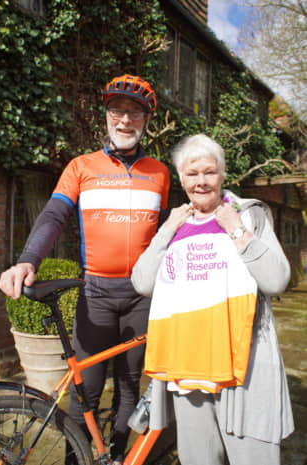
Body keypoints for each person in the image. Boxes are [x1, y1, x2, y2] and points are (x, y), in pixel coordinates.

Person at [0, 74, 170, 465]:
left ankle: (120, 457)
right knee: (85, 394)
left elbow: (162, 235)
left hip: (142, 298)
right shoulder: (82, 166)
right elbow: (53, 216)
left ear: (146, 121)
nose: (124, 120)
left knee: (130, 387)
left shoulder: (160, 173)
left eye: (134, 113)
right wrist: (28, 260)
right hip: (95, 296)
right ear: (106, 116)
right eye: (116, 110)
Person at [131, 133, 294, 465]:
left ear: (222, 175)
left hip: (243, 372)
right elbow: (143, 282)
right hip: (188, 372)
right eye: (192, 174)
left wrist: (236, 231)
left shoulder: (249, 216)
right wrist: (166, 230)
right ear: (181, 178)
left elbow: (278, 279)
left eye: (209, 172)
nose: (201, 182)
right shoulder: (176, 227)